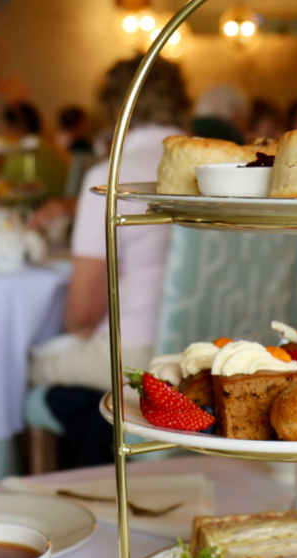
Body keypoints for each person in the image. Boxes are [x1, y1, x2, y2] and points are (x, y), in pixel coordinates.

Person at [28, 54, 190, 392]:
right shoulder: (215, 172)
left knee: (21, 364)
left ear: (117, 108)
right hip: (212, 352)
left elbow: (82, 317)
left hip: (136, 360)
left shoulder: (110, 180)